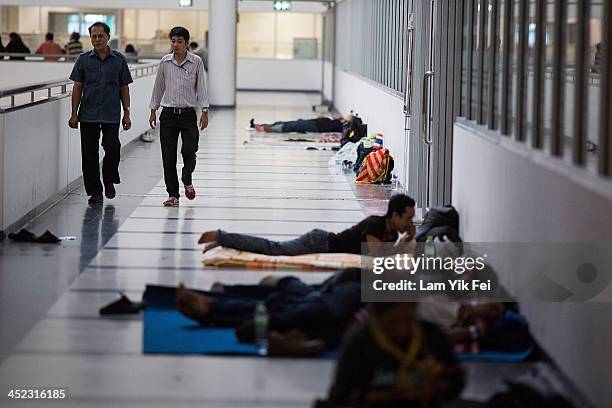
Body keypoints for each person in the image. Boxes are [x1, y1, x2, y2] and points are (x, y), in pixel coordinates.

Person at [321, 302, 464, 407]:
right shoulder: (359, 343)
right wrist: (384, 396)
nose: (402, 329)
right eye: (393, 321)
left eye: (408, 319)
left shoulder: (430, 335)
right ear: (375, 316)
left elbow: (455, 381)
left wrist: (439, 386)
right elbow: (340, 397)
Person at [198, 194, 417, 256]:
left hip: (323, 243)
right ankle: (221, 235)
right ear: (394, 215)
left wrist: (403, 241)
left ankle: (222, 241)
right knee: (274, 249)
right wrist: (405, 242)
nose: (410, 222)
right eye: (407, 218)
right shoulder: (375, 225)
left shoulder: (390, 233)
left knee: (274, 249)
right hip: (319, 242)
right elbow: (377, 258)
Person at [68, 22, 133, 205]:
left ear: (108, 37)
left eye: (100, 36)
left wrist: (126, 113)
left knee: (113, 148)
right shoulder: (83, 59)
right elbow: (77, 87)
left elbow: (124, 87)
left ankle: (109, 178)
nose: (97, 40)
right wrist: (74, 113)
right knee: (89, 154)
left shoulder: (119, 60)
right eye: (93, 36)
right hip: (87, 114)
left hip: (111, 113)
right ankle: (95, 192)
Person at [149, 26, 209, 207]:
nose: (175, 45)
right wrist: (153, 110)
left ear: (186, 43)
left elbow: (201, 88)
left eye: (179, 41)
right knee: (168, 157)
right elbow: (158, 87)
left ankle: (187, 177)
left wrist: (205, 111)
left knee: (190, 152)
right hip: (168, 116)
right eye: (173, 41)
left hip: (189, 115)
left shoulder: (196, 62)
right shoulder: (165, 62)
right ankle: (173, 195)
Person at [251, 115, 351, 133]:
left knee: (290, 126)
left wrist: (344, 119)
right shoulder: (339, 122)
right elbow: (340, 118)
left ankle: (268, 129)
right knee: (286, 123)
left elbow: (346, 120)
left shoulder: (341, 126)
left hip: (314, 126)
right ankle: (261, 125)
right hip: (313, 122)